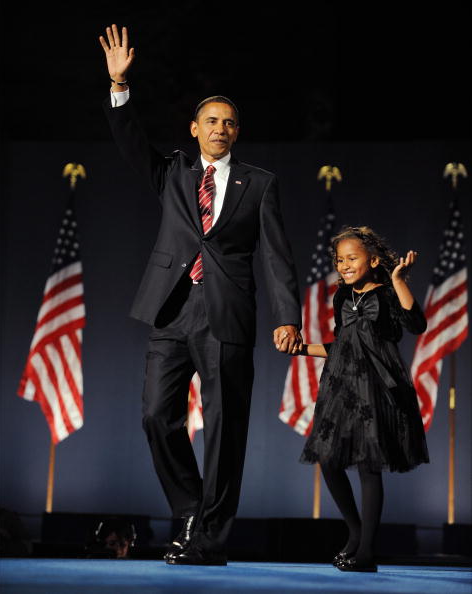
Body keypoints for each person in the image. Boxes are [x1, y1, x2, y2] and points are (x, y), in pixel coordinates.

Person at [99, 25, 302, 566]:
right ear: (194, 129)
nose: (220, 128)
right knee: (155, 417)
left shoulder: (258, 183)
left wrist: (288, 317)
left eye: (229, 123)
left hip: (227, 316)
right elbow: (130, 143)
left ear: (237, 133)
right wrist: (120, 87)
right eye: (211, 121)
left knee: (224, 428)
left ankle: (208, 541)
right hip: (171, 310)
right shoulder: (173, 173)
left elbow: (278, 256)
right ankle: (193, 509)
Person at [282, 226, 429, 572]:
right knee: (329, 460)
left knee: (367, 464)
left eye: (352, 258)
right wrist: (301, 348)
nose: (344, 264)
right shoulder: (341, 298)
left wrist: (398, 280)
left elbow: (417, 324)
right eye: (340, 259)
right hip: (341, 387)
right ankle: (355, 532)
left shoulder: (388, 292)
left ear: (373, 260)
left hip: (377, 387)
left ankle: (366, 553)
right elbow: (343, 346)